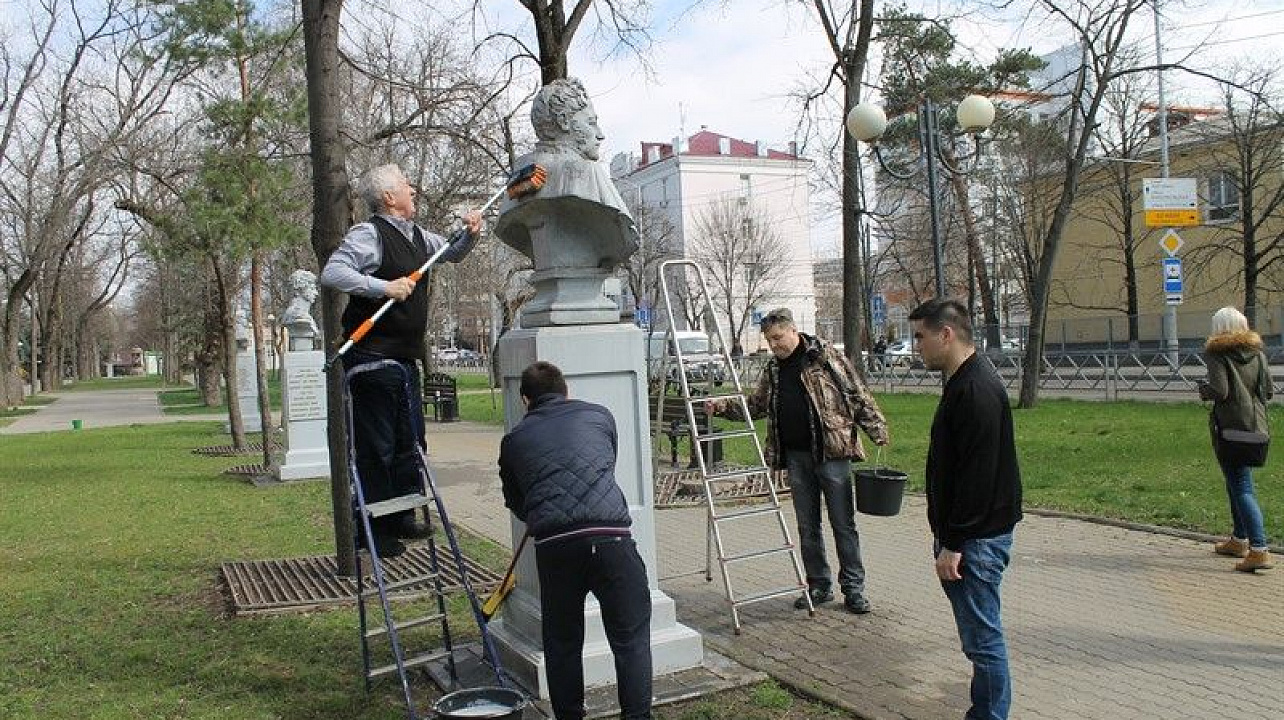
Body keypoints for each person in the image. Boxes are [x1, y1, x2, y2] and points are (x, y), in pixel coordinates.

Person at [320, 163, 482, 557]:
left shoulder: (418, 236)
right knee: (377, 445)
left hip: (404, 360)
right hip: (371, 359)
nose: (414, 190)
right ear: (389, 197)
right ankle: (372, 530)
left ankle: (405, 513)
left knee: (410, 439)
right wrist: (383, 286)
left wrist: (473, 232)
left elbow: (452, 252)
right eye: (407, 186)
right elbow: (333, 272)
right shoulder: (368, 234)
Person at [498, 361, 652, 720]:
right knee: (630, 639)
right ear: (566, 391)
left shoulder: (515, 440)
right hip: (612, 539)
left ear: (525, 399)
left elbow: (515, 499)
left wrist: (544, 514)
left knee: (563, 642)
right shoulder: (599, 416)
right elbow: (605, 461)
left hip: (556, 546)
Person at [710, 307, 888, 614]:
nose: (774, 345)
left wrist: (877, 429)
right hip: (796, 457)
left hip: (832, 452)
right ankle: (819, 584)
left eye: (778, 337)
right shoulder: (773, 370)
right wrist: (723, 406)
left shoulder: (825, 357)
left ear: (794, 331)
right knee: (808, 526)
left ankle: (854, 589)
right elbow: (756, 404)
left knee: (843, 524)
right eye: (769, 340)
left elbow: (857, 393)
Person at [908, 298, 1022, 720]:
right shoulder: (963, 380)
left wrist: (954, 543)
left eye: (920, 336)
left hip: (975, 540)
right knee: (980, 635)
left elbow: (978, 476)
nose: (915, 345)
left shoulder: (975, 390)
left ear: (946, 334)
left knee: (983, 640)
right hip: (971, 535)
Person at [1199, 306, 1273, 572]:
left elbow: (1220, 390)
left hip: (1230, 427)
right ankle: (1239, 540)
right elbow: (1269, 391)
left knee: (1241, 485)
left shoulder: (1216, 353)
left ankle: (1259, 549)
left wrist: (1203, 390)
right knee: (1237, 480)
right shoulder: (1258, 353)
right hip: (1257, 426)